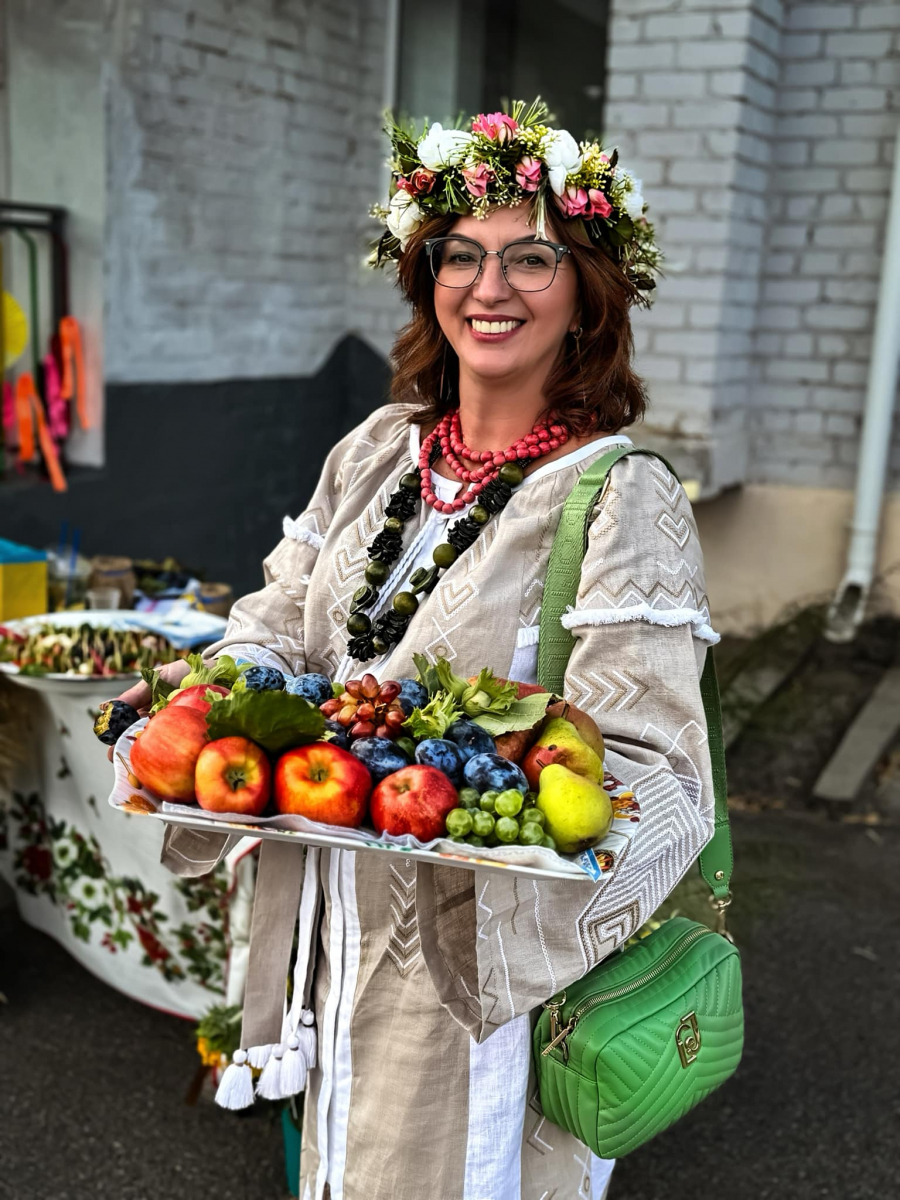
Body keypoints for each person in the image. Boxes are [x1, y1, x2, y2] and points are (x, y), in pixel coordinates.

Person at [117, 101, 719, 1200]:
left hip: (477, 964)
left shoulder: (618, 498)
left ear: (587, 289)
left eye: (531, 256)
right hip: (329, 933)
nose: (490, 288)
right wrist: (217, 701)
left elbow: (661, 776)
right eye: (461, 256)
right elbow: (280, 620)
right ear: (424, 275)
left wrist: (505, 855)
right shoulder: (376, 452)